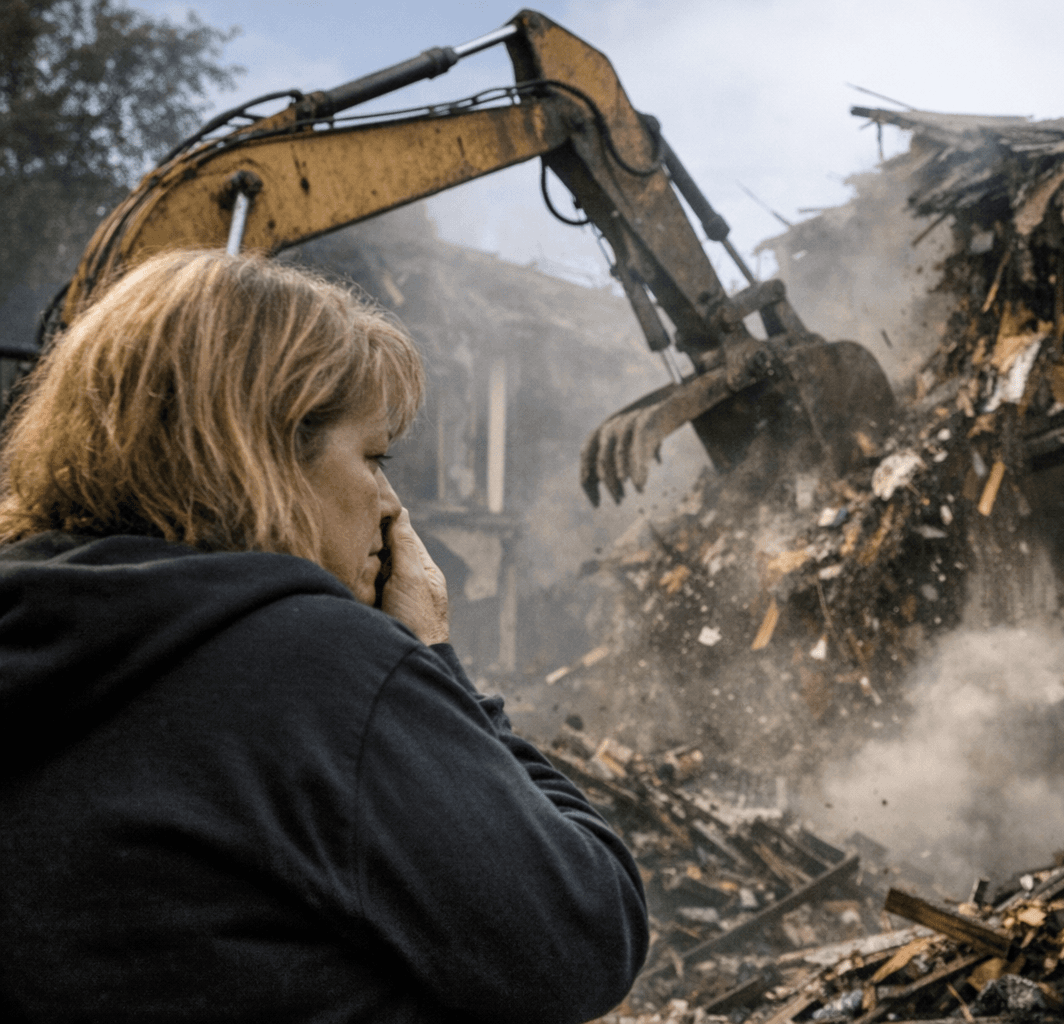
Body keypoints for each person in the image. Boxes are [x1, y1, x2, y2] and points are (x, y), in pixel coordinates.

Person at [0, 251, 648, 1021]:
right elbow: (582, 937)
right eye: (373, 456)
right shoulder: (313, 669)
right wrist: (434, 658)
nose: (389, 502)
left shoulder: (35, 638)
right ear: (262, 455)